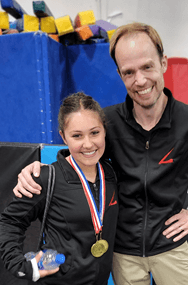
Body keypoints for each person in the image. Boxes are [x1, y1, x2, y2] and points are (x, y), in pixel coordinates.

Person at [13, 22, 188, 285]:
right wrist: (34, 170)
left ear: (164, 63)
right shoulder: (109, 123)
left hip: (171, 249)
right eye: (129, 72)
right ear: (120, 75)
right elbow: (79, 156)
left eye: (147, 67)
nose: (140, 80)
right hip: (122, 253)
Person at [0, 92, 118, 284]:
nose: (88, 144)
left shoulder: (112, 175)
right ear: (63, 136)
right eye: (77, 136)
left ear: (104, 130)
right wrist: (19, 265)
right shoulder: (46, 179)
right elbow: (9, 222)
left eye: (95, 133)